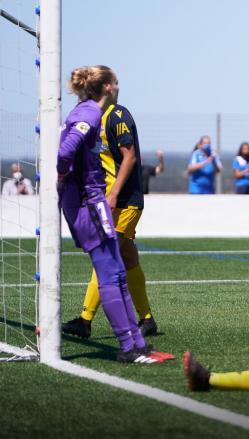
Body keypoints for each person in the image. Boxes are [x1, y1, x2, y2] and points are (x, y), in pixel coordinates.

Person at [57, 65, 171, 363]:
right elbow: (65, 152)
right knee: (111, 267)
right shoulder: (91, 113)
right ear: (107, 87)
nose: (119, 87)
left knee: (120, 265)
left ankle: (136, 335)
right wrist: (63, 176)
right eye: (116, 82)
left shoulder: (105, 114)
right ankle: (121, 338)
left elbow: (126, 156)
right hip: (93, 202)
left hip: (104, 200)